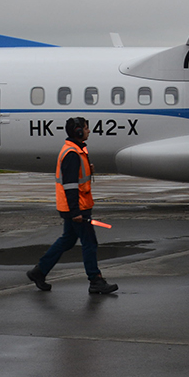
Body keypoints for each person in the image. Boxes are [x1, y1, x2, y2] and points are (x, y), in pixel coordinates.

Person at [28, 117, 118, 295]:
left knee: (68, 240)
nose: (89, 131)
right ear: (78, 131)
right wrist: (75, 211)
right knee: (89, 243)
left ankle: (39, 272)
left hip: (75, 205)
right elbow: (70, 184)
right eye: (86, 128)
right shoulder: (72, 153)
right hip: (77, 207)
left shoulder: (77, 150)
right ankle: (95, 280)